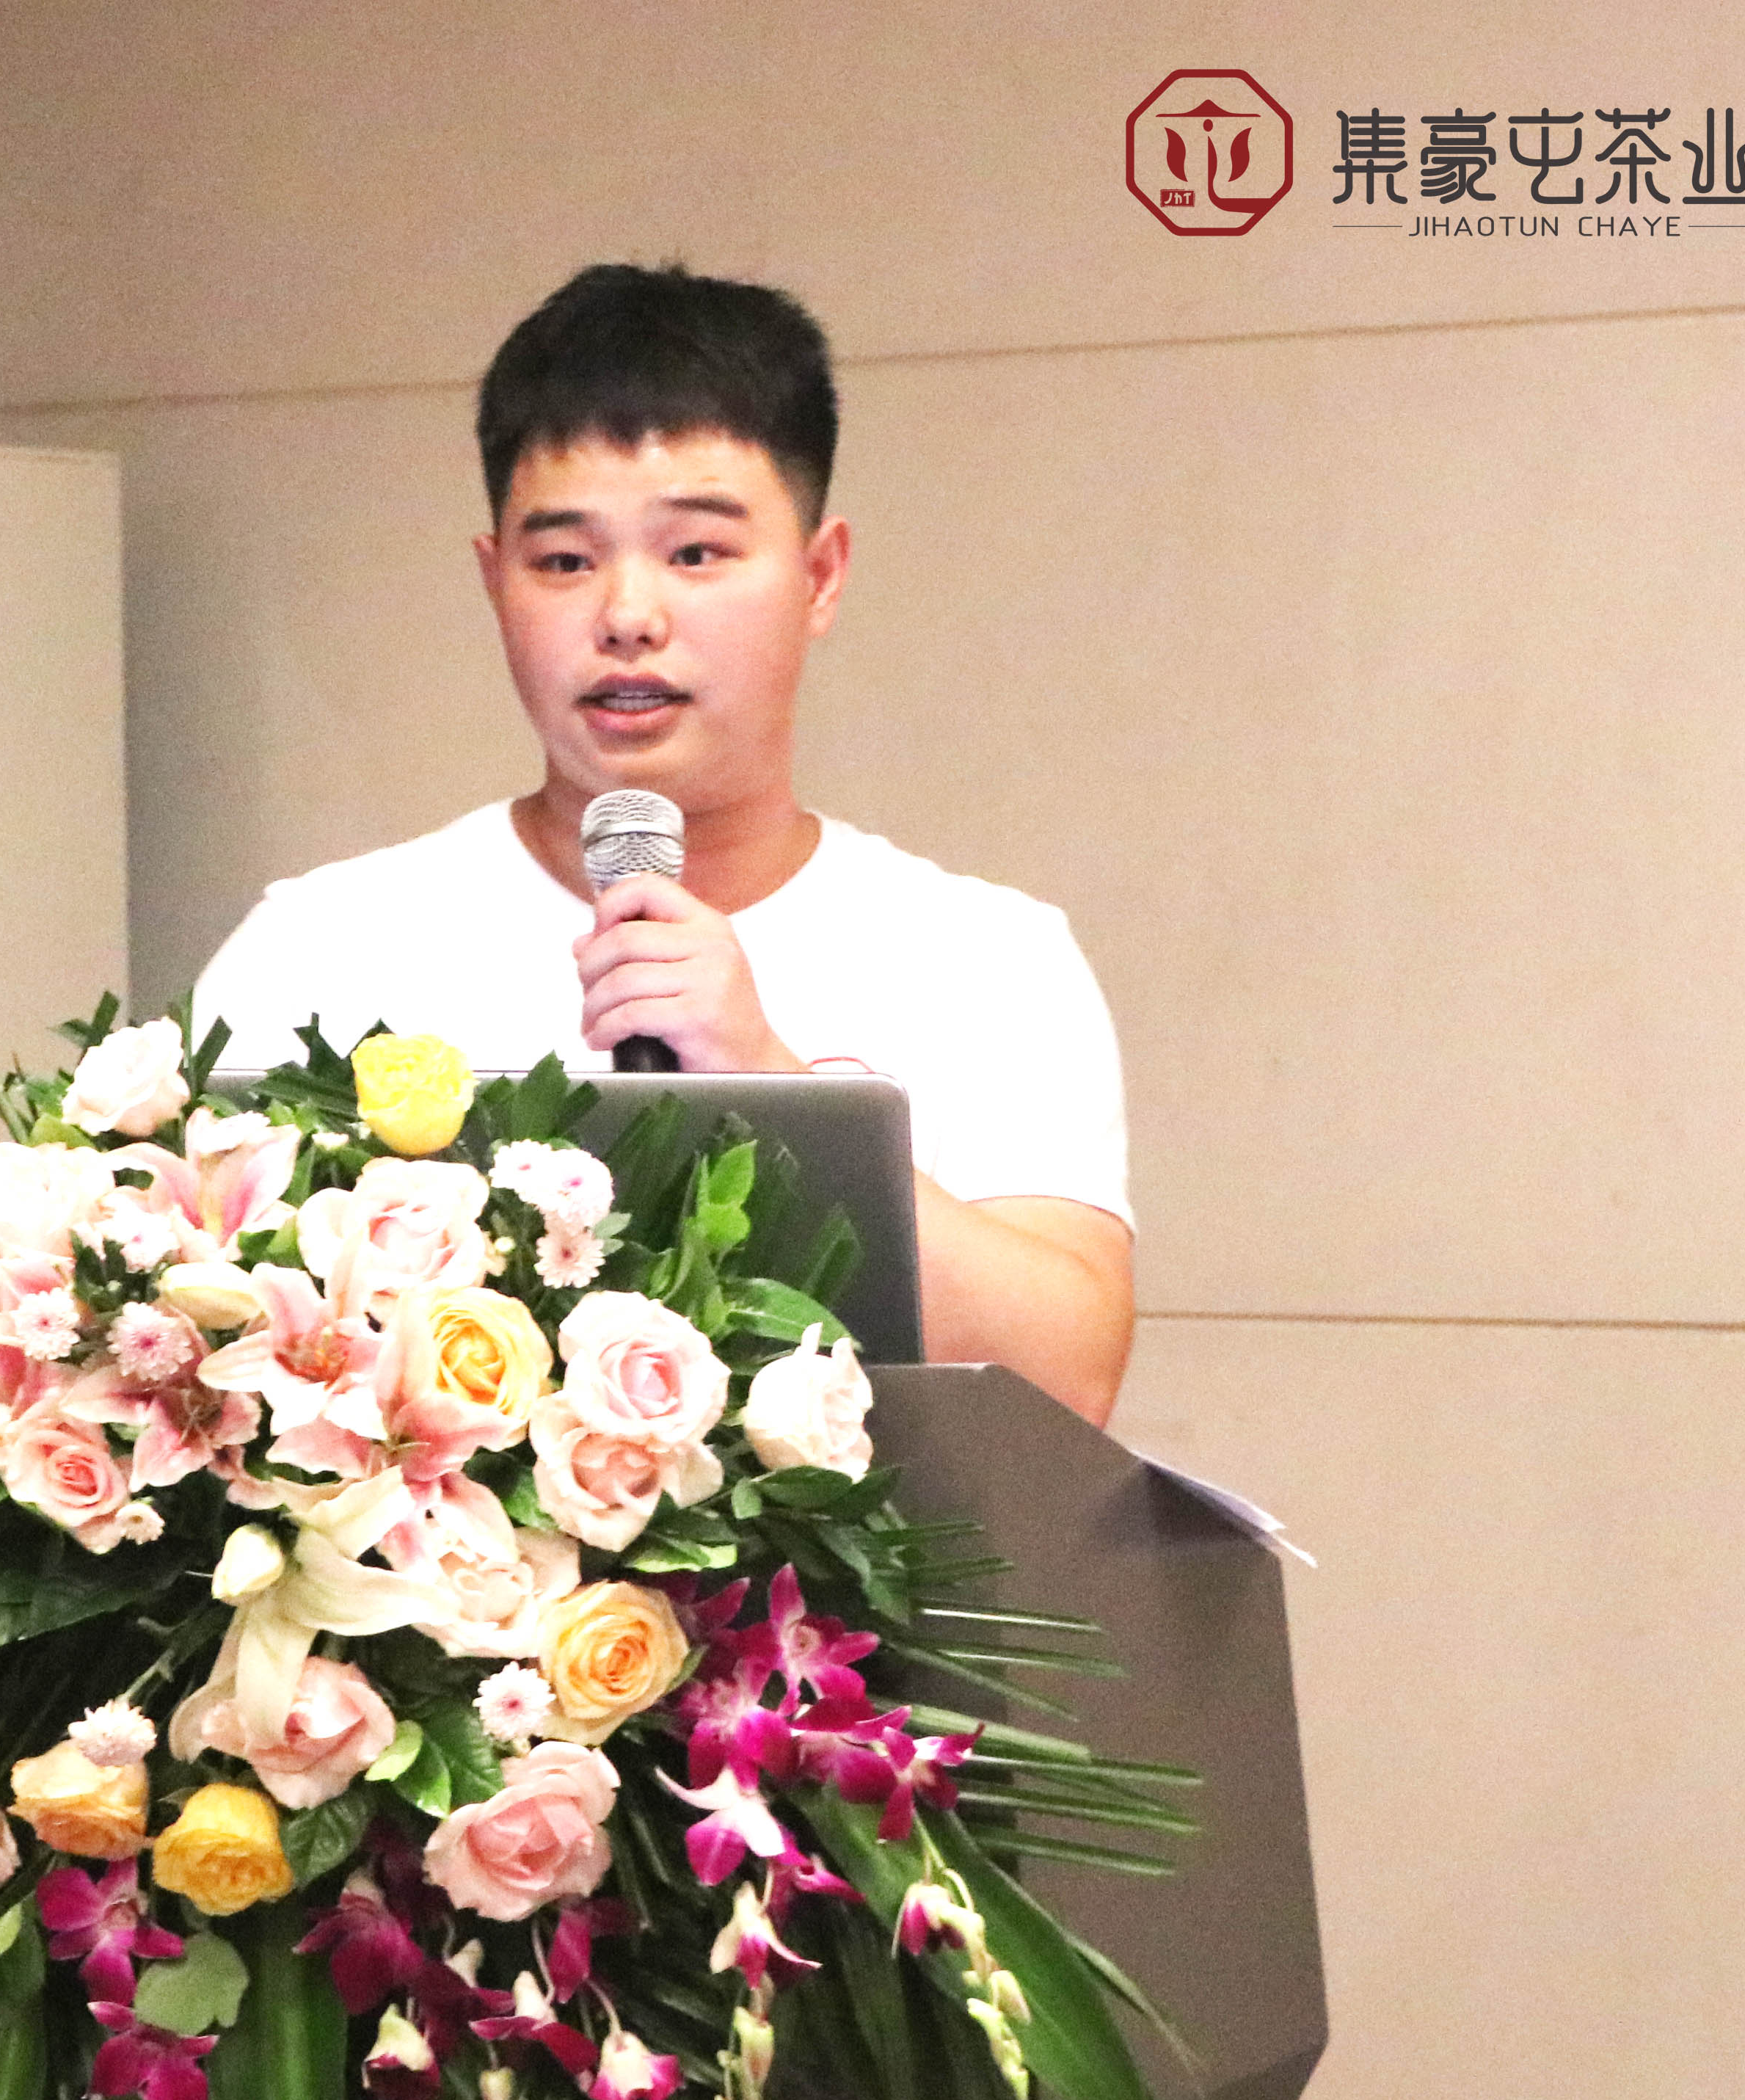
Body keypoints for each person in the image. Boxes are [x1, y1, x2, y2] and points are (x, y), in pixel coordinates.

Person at [190, 264, 1134, 1423]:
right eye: (565, 562)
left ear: (820, 576)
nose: (628, 617)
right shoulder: (324, 947)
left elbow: (1070, 1379)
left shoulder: (988, 957)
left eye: (695, 554)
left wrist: (768, 1078)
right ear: (495, 582)